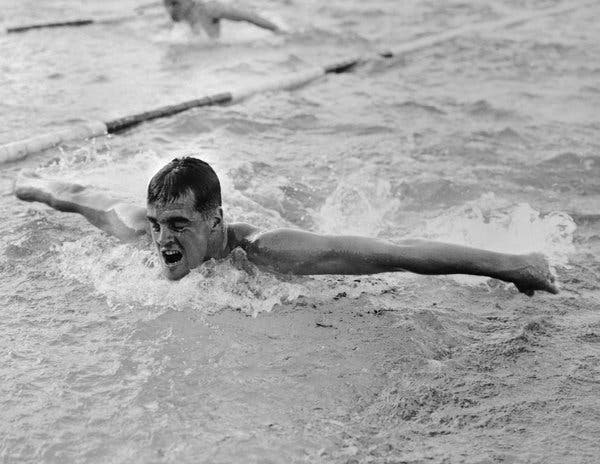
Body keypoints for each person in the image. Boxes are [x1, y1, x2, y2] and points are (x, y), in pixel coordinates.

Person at [14, 157, 558, 296]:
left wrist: (511, 266)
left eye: (177, 225)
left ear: (215, 221)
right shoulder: (141, 231)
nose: (161, 241)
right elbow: (82, 198)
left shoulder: (268, 251)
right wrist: (30, 185)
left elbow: (392, 251)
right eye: (157, 225)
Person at [162, 0, 281, 38]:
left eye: (174, 3)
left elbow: (249, 17)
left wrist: (277, 30)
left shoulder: (209, 9)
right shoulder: (178, 20)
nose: (170, 10)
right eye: (167, 5)